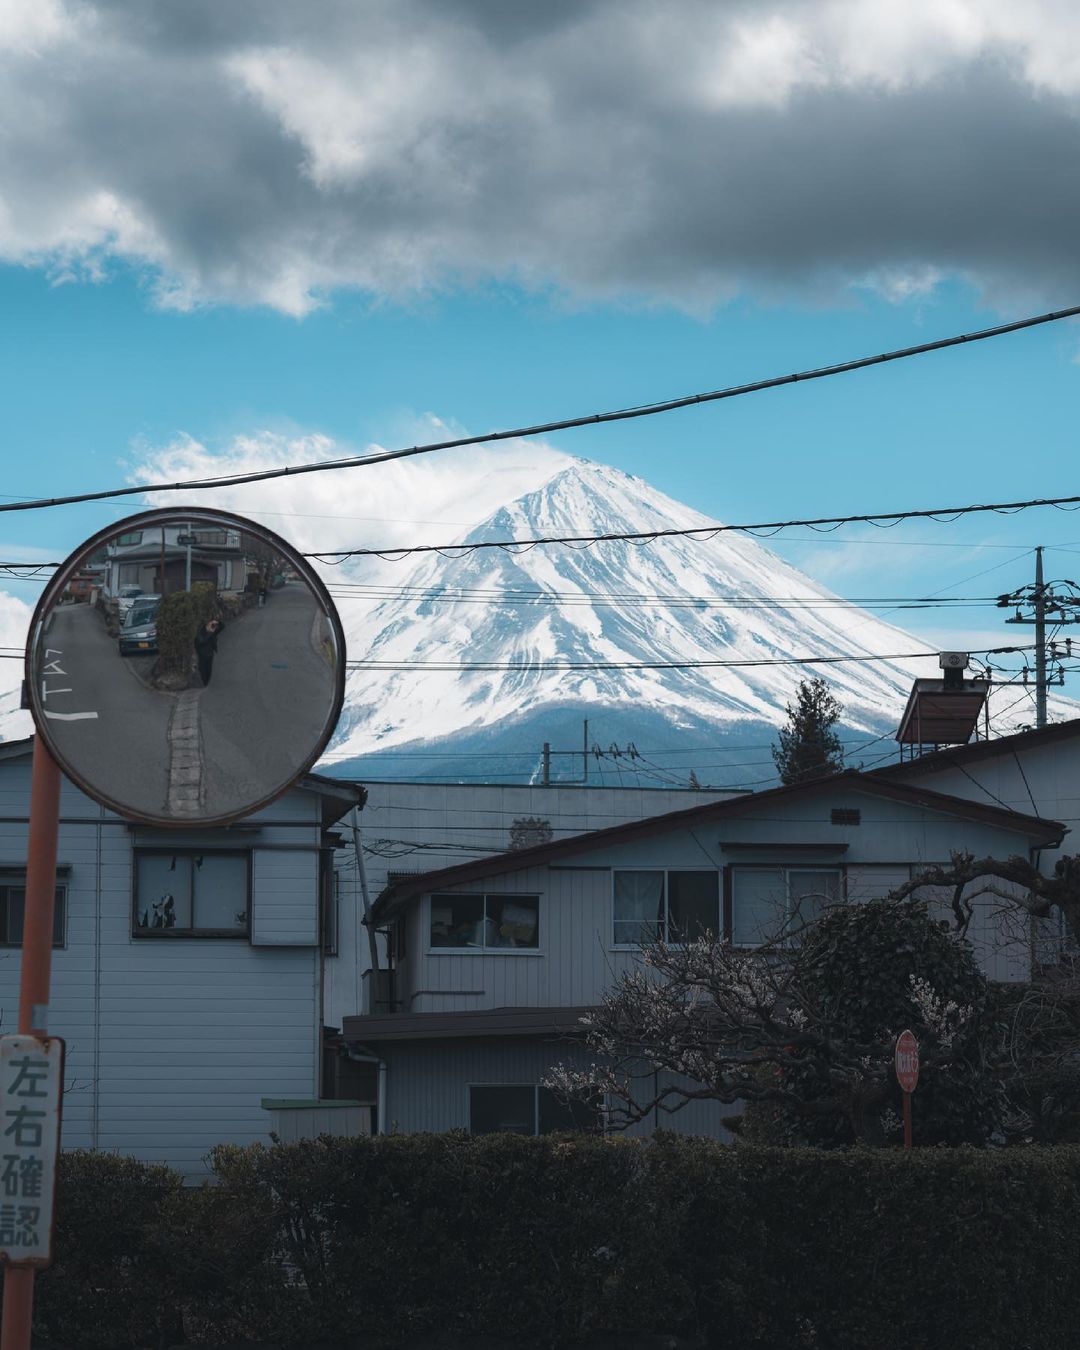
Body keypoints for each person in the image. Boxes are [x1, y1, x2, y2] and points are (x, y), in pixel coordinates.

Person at [194, 617, 224, 686]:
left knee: (209, 671)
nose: (210, 626)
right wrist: (210, 633)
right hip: (202, 654)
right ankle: (204, 684)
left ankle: (206, 683)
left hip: (210, 654)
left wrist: (217, 621)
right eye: (208, 625)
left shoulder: (213, 630)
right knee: (202, 670)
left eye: (210, 624)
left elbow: (223, 626)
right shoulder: (200, 631)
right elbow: (202, 641)